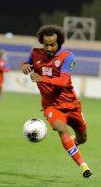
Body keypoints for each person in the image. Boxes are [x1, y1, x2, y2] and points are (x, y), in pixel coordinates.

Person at [21, 25, 92, 178]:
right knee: (61, 128)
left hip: (72, 105)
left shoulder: (68, 56)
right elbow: (27, 63)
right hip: (51, 106)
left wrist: (42, 78)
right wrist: (25, 66)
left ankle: (70, 144)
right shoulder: (35, 54)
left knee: (83, 138)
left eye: (52, 44)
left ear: (59, 43)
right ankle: (83, 166)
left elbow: (64, 81)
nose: (48, 48)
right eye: (45, 44)